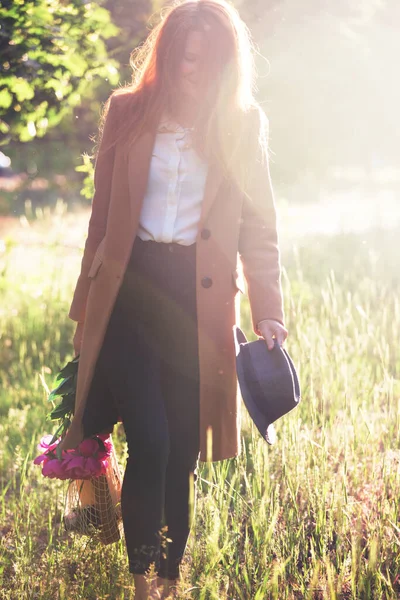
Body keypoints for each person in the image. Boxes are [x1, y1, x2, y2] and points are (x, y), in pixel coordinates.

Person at [61, 0, 288, 598]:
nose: (191, 71)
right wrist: (85, 311)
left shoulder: (242, 124)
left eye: (203, 62)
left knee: (183, 450)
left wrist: (268, 308)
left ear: (223, 64)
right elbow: (101, 217)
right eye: (182, 58)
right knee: (152, 440)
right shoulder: (127, 112)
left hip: (197, 305)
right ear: (165, 55)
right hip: (131, 295)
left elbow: (260, 228)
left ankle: (169, 580)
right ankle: (141, 585)